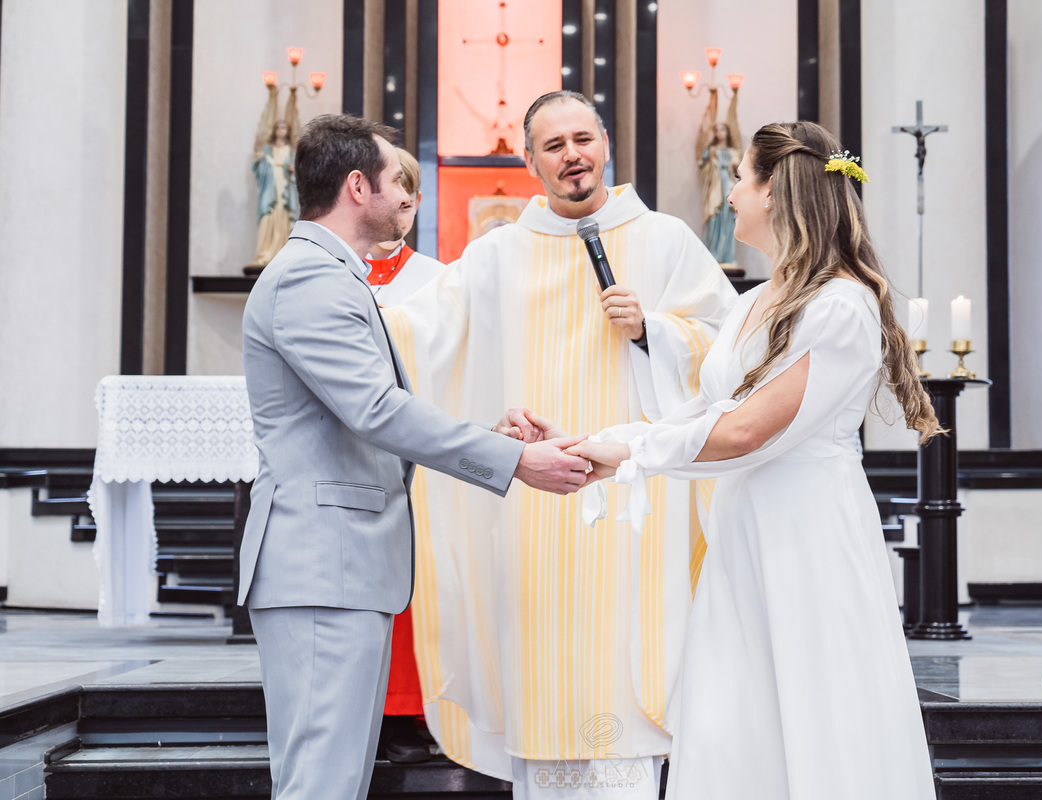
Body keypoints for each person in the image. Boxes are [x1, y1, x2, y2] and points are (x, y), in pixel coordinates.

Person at [568, 121, 941, 799]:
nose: (730, 193)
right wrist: (604, 445)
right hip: (742, 534)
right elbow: (703, 414)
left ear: (776, 191)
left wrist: (636, 453)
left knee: (816, 713)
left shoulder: (841, 307)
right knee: (732, 716)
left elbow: (745, 433)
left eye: (740, 177)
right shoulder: (752, 301)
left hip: (806, 538)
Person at [379, 91, 736, 798]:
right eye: (554, 145)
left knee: (628, 673)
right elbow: (422, 338)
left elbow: (729, 353)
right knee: (545, 667)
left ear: (606, 143)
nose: (572, 155)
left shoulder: (664, 240)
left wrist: (655, 331)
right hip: (533, 503)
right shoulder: (499, 253)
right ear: (530, 161)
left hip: (640, 501)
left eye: (583, 138)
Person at [239, 114, 591, 800]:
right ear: (357, 186)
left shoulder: (330, 273)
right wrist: (512, 462)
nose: (408, 194)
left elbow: (370, 411)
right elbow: (377, 411)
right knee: (320, 782)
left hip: (340, 569)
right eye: (398, 180)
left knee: (334, 778)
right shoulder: (310, 278)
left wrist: (491, 432)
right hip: (321, 569)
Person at [363, 146, 447, 764]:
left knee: (421, 583)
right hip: (356, 455)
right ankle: (369, 710)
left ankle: (413, 710)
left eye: (414, 197)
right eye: (399, 192)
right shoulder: (335, 273)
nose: (406, 205)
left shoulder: (439, 281)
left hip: (417, 452)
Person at [364, 147, 443, 307]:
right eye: (384, 206)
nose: (394, 220)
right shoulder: (338, 271)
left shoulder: (437, 277)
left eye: (405, 206)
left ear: (417, 203)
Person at [696, 88, 742, 267]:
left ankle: (727, 256)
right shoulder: (711, 151)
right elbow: (702, 165)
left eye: (723, 128)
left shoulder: (733, 152)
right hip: (715, 188)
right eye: (716, 129)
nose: (719, 132)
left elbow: (739, 171)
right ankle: (714, 254)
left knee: (729, 222)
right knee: (714, 220)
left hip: (729, 189)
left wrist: (733, 167)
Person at [251, 110, 300, 267]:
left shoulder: (291, 152)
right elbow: (259, 168)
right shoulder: (267, 151)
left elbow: (298, 172)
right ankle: (265, 253)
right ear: (274, 131)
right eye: (278, 127)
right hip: (270, 190)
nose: (281, 131)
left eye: (284, 127)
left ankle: (281, 253)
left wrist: (293, 170)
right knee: (268, 218)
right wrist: (266, 162)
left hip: (285, 191)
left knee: (284, 220)